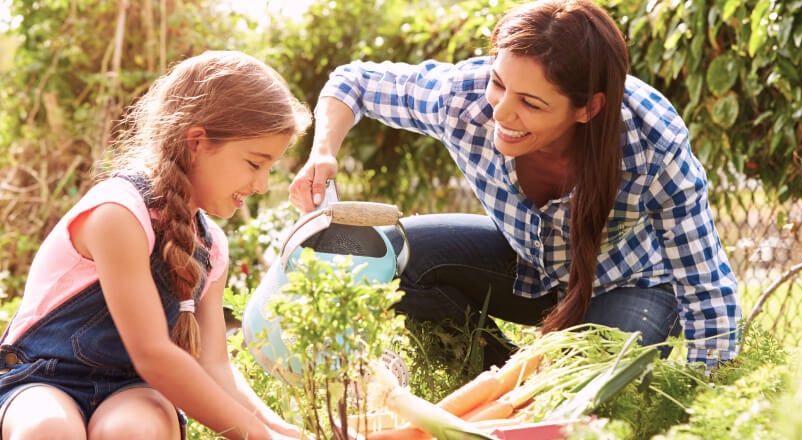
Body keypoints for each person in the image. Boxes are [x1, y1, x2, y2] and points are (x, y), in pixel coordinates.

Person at [290, 0, 740, 371]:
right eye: (499, 83)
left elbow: (704, 283)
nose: (502, 112)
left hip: (630, 283)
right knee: (389, 254)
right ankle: (493, 379)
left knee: (587, 392)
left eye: (530, 102)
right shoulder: (462, 100)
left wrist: (713, 396)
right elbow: (353, 83)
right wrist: (323, 150)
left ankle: (548, 386)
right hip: (527, 268)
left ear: (587, 109)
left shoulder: (651, 140)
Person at [0, 51, 312, 439]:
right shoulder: (119, 213)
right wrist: (260, 439)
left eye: (270, 169)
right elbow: (153, 354)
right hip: (43, 377)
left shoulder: (210, 247)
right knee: (48, 429)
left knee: (136, 429)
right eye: (254, 163)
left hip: (132, 389)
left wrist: (284, 431)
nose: (262, 184)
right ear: (196, 141)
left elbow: (214, 366)